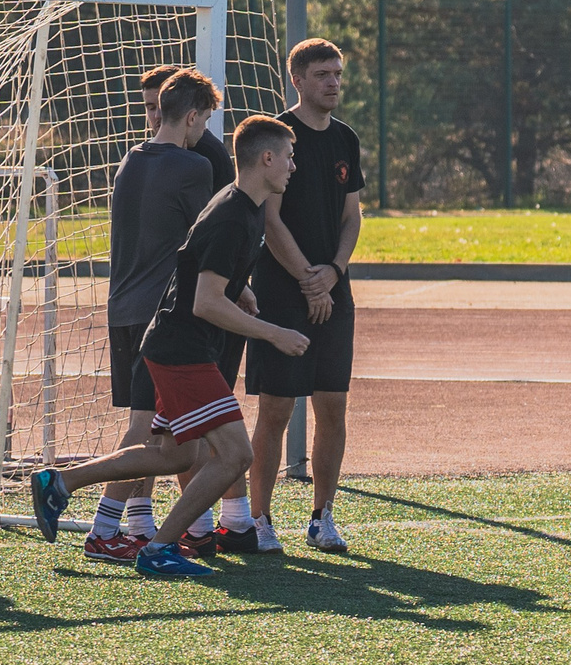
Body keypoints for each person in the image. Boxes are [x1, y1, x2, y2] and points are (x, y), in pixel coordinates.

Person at [30, 116, 309, 578]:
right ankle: (159, 548)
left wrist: (240, 288)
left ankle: (60, 481)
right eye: (289, 157)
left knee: (177, 456)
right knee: (236, 455)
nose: (293, 167)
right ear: (266, 158)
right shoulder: (233, 214)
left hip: (177, 345)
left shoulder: (246, 205)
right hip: (183, 350)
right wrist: (274, 333)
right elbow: (204, 303)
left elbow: (197, 264)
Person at [86, 68, 221, 565]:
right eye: (203, 120)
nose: (203, 131)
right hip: (156, 316)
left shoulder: (130, 160)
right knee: (144, 431)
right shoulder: (194, 168)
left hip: (121, 308)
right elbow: (204, 243)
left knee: (163, 430)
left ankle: (146, 524)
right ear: (190, 116)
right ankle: (103, 527)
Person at [246, 38, 364, 555]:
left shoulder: (347, 140)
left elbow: (351, 215)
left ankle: (322, 518)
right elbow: (268, 220)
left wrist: (333, 273)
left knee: (332, 406)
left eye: (337, 73)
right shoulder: (274, 137)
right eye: (322, 74)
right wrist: (306, 280)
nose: (333, 82)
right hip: (282, 292)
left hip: (333, 290)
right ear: (297, 80)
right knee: (275, 410)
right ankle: (259, 519)